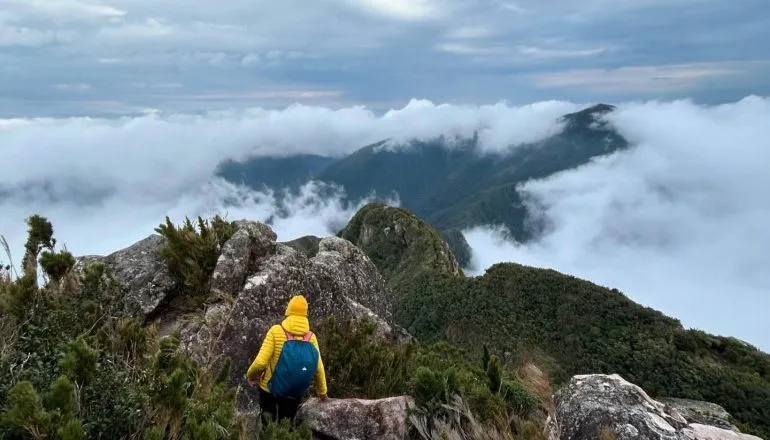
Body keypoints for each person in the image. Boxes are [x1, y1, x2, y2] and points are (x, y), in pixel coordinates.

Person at [246, 294, 328, 423]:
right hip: (294, 391)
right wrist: (322, 392)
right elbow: (319, 368)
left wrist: (251, 375)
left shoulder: (276, 331)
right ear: (305, 315)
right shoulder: (311, 337)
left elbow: (261, 362)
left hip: (269, 389)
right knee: (287, 427)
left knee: (268, 428)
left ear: (288, 311)